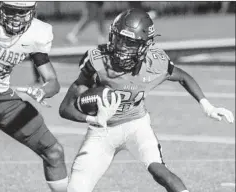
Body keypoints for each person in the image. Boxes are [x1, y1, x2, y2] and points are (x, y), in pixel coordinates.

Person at [59, 8, 234, 192]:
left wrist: (207, 106)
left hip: (136, 125)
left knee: (159, 171)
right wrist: (93, 119)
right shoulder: (97, 61)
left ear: (144, 46)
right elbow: (65, 108)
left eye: (129, 43)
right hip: (101, 131)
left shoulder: (155, 62)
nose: (120, 48)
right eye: (118, 39)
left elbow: (183, 77)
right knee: (77, 187)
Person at [0, 2, 68, 192]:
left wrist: (42, 90)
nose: (17, 17)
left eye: (23, 12)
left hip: (5, 101)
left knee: (54, 152)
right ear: (0, 8)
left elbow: (52, 81)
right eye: (12, 11)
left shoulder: (37, 33)